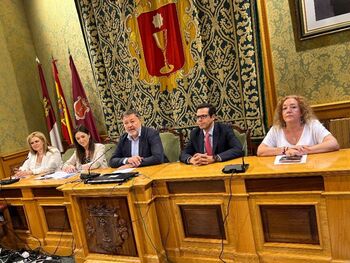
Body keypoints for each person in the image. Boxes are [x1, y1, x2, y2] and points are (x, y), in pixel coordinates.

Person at [257, 95, 339, 156]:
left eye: (293, 107)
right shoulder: (276, 129)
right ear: (281, 114)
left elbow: (333, 143)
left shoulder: (312, 125)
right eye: (284, 108)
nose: (288, 111)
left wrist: (306, 150)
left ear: (301, 112)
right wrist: (285, 150)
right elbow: (261, 150)